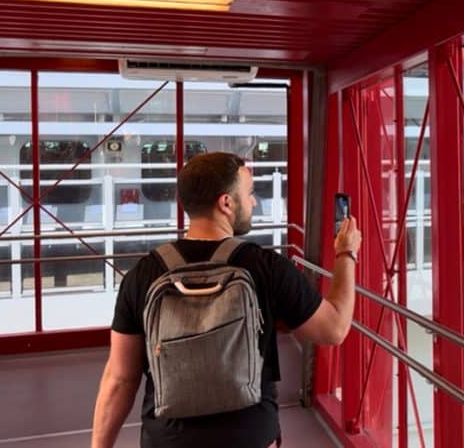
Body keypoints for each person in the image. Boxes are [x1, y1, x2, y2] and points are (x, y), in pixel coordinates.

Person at [91, 152, 360, 448]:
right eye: (250, 193)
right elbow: (334, 329)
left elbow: (120, 379)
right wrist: (346, 254)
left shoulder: (142, 275)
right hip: (249, 438)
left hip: (168, 440)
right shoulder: (267, 268)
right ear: (226, 203)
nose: (254, 202)